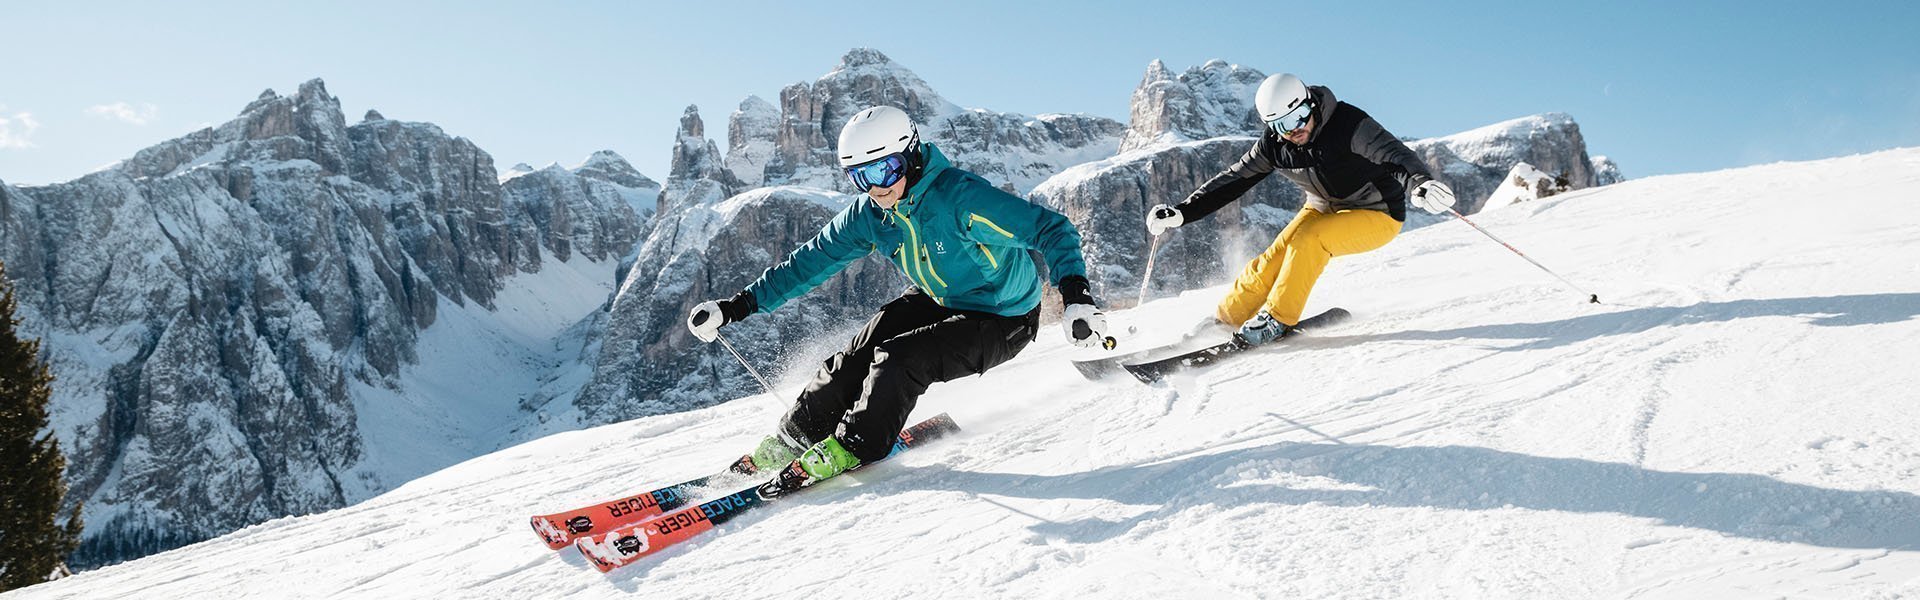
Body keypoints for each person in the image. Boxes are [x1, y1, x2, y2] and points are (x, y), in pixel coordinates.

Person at [686, 105, 1110, 490]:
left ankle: (856, 445)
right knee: (853, 358)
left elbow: (1052, 229)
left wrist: (1076, 296)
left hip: (1004, 316)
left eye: (884, 171)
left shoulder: (959, 198)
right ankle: (794, 438)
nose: (876, 188)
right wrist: (734, 307)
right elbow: (808, 262)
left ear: (910, 155)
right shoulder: (870, 215)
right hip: (938, 297)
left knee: (902, 358)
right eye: (861, 177)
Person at [1144, 73, 1455, 345]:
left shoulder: (1348, 124)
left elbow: (1393, 153)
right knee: (1271, 260)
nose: (1293, 130)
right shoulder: (1275, 145)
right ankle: (1226, 321)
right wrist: (1182, 212)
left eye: (1298, 117)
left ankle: (1278, 319)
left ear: (1311, 104)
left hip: (1377, 212)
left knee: (1309, 241)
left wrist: (1419, 183)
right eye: (1281, 125)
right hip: (1322, 208)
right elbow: (1234, 180)